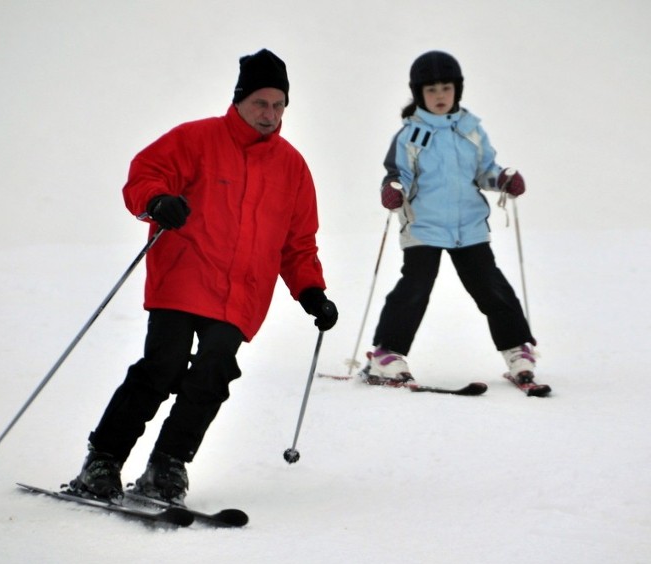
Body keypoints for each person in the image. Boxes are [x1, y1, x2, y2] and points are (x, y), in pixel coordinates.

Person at [70, 48, 338, 504]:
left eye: (278, 105)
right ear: (238, 100)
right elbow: (145, 174)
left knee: (214, 371)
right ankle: (103, 461)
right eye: (260, 103)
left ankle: (167, 465)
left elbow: (298, 243)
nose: (269, 114)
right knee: (163, 366)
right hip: (183, 278)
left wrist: (311, 290)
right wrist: (156, 201)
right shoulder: (197, 140)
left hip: (241, 294)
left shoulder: (292, 168)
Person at [365, 50, 536, 384]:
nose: (439, 96)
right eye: (431, 90)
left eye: (446, 88)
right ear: (419, 94)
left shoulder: (471, 130)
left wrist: (502, 179)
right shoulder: (410, 135)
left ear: (457, 89)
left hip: (468, 226)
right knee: (414, 288)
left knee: (491, 287)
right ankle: (387, 354)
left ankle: (517, 349)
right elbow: (399, 174)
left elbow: (484, 170)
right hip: (424, 226)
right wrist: (395, 189)